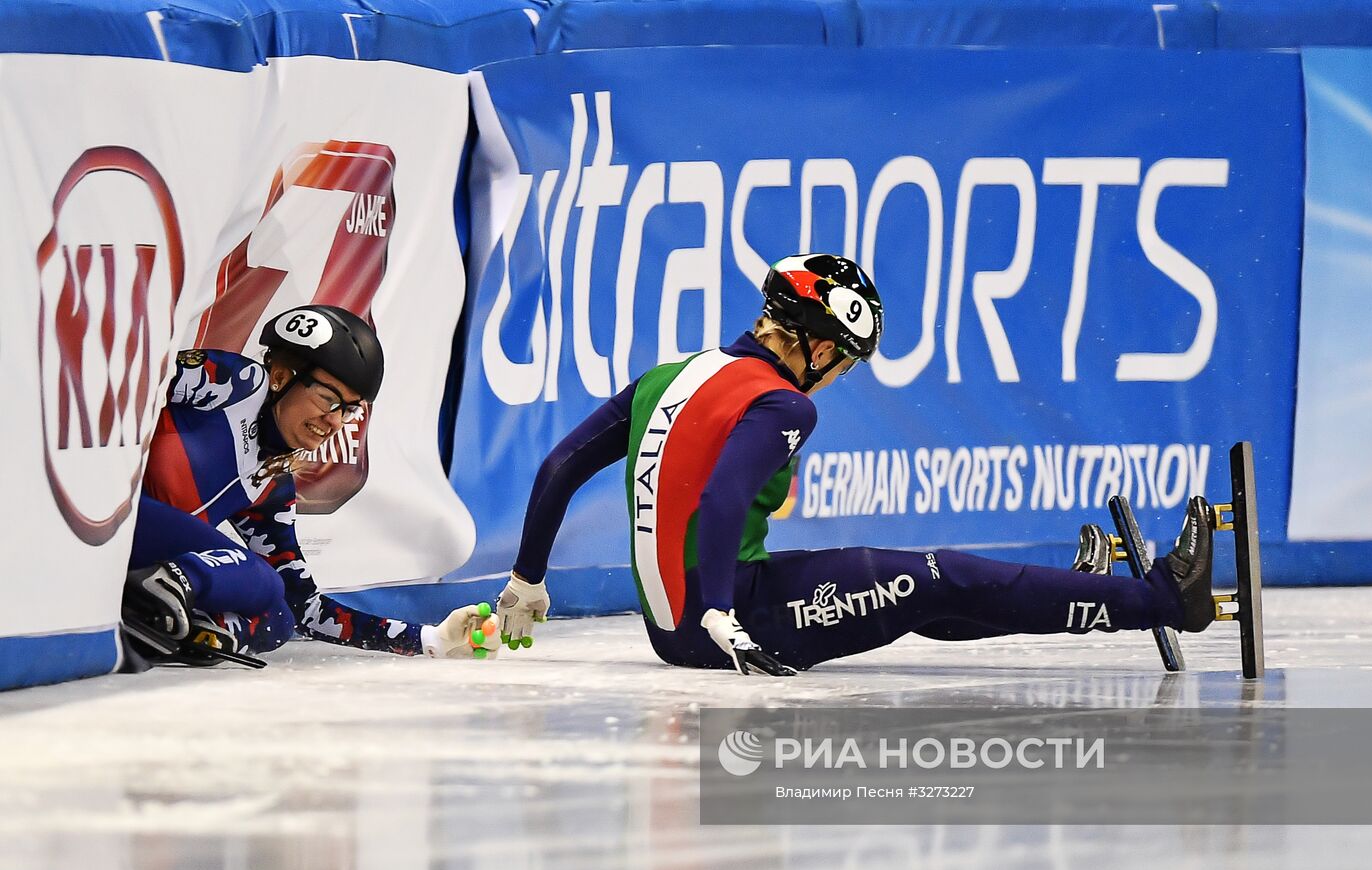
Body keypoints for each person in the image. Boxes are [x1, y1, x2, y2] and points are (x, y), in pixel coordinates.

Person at [494, 253, 1219, 675]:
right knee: (937, 576)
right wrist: (720, 613)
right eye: (844, 359)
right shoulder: (782, 404)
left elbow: (561, 463)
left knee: (917, 598)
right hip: (729, 620)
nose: (841, 376)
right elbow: (720, 499)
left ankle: (1066, 595)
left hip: (673, 626)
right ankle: (1164, 598)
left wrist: (528, 579)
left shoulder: (669, 375)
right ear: (814, 344)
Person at [122, 304, 496, 666]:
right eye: (328, 398)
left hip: (144, 554)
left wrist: (429, 639)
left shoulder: (271, 483)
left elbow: (308, 609)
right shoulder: (235, 384)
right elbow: (128, 380)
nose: (334, 421)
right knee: (263, 580)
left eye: (349, 410)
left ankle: (189, 628)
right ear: (282, 376)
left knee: (280, 615)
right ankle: (162, 591)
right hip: (121, 517)